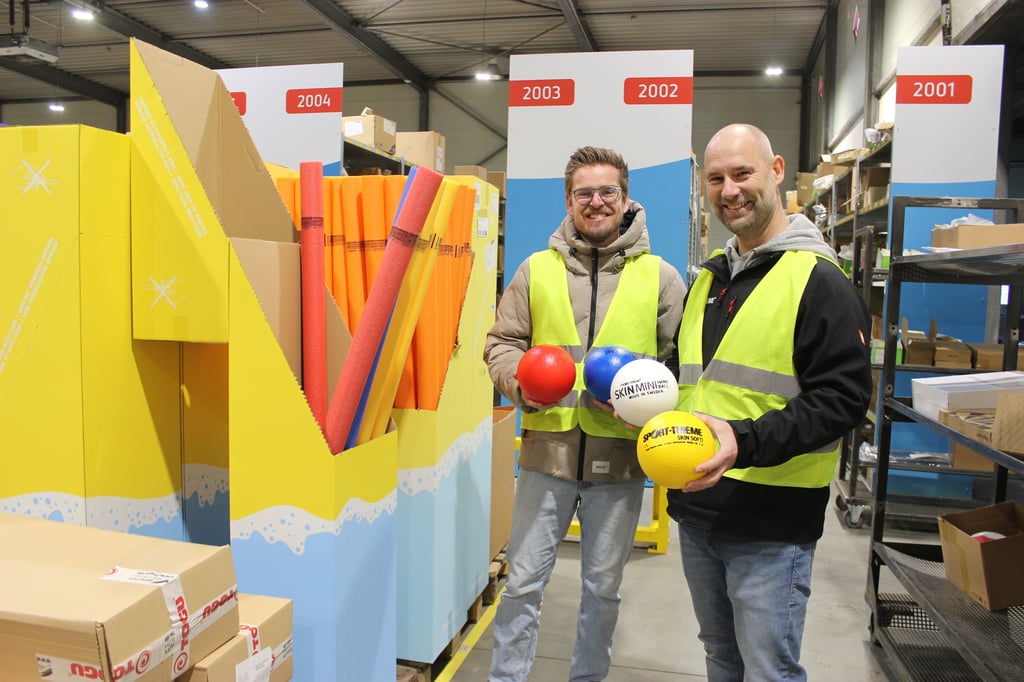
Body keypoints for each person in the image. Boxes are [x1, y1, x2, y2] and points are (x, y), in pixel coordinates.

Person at [667, 123, 872, 682]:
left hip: (770, 526)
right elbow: (695, 378)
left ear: (776, 170)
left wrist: (745, 441)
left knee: (767, 671)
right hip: (697, 508)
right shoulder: (710, 280)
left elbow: (845, 400)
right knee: (720, 657)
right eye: (716, 179)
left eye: (742, 174)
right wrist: (642, 397)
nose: (729, 190)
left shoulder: (819, 281)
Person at [484, 146, 687, 682]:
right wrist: (523, 385)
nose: (595, 203)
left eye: (607, 193)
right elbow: (502, 343)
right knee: (523, 582)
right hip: (544, 458)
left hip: (619, 462)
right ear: (569, 201)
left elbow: (682, 363)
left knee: (602, 589)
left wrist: (645, 404)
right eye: (584, 194)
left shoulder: (661, 277)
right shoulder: (536, 270)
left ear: (625, 199)